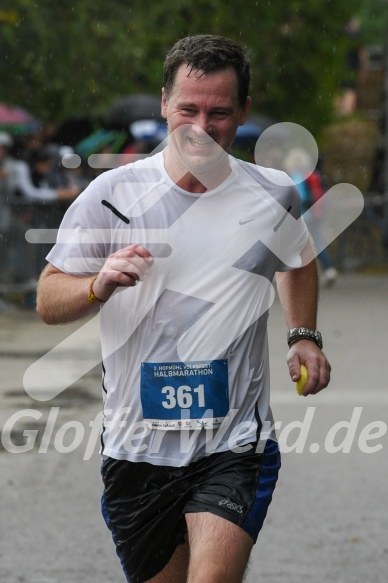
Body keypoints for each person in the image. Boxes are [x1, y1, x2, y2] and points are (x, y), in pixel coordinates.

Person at [36, 34, 331, 583]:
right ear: (166, 102)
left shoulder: (272, 193)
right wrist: (97, 285)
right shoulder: (111, 194)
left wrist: (303, 334)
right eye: (188, 109)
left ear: (243, 111)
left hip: (235, 441)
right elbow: (49, 300)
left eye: (219, 113)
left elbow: (296, 257)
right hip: (136, 446)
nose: (202, 126)